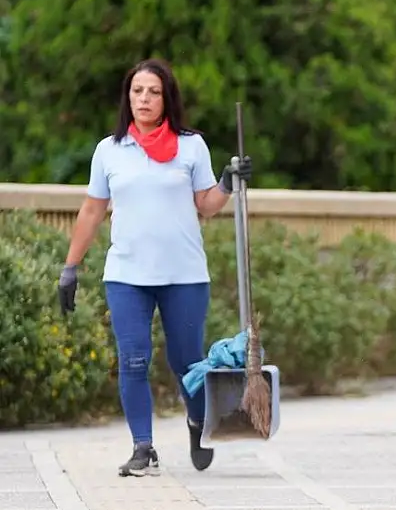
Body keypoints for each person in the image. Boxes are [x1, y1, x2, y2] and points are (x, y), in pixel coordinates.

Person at [56, 58, 252, 477]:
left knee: (186, 362)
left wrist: (227, 182)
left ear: (167, 99)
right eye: (137, 91)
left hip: (184, 274)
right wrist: (70, 267)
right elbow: (92, 211)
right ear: (128, 98)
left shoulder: (190, 145)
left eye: (153, 92)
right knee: (132, 360)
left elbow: (206, 206)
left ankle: (197, 423)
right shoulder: (109, 150)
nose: (144, 99)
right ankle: (143, 448)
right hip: (127, 275)